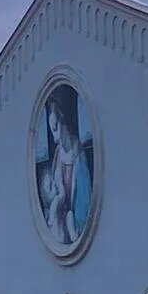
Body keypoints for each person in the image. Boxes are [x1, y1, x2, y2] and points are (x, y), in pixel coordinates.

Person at [39, 86, 92, 244]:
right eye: (51, 130)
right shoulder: (57, 155)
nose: (55, 137)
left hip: (77, 220)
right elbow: (57, 193)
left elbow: (83, 198)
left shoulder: (78, 155)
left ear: (63, 123)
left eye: (56, 128)